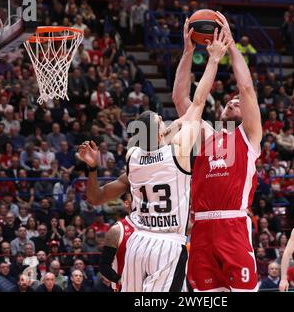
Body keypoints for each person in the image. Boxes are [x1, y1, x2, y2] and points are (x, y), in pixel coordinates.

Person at [79, 26, 230, 292]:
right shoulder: (179, 151)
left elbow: (95, 198)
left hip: (137, 242)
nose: (168, 122)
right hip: (167, 245)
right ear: (161, 132)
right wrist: (214, 59)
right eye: (163, 122)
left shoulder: (133, 158)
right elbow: (197, 103)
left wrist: (92, 168)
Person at [173, 13, 262, 292]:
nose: (234, 103)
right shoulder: (204, 135)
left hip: (232, 224)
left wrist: (231, 46)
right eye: (230, 103)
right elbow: (180, 98)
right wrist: (188, 52)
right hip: (200, 227)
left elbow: (246, 88)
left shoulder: (249, 137)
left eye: (238, 104)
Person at [98, 202, 134, 291]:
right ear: (127, 204)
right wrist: (118, 279)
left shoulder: (152, 228)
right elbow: (103, 265)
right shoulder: (117, 230)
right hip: (124, 288)